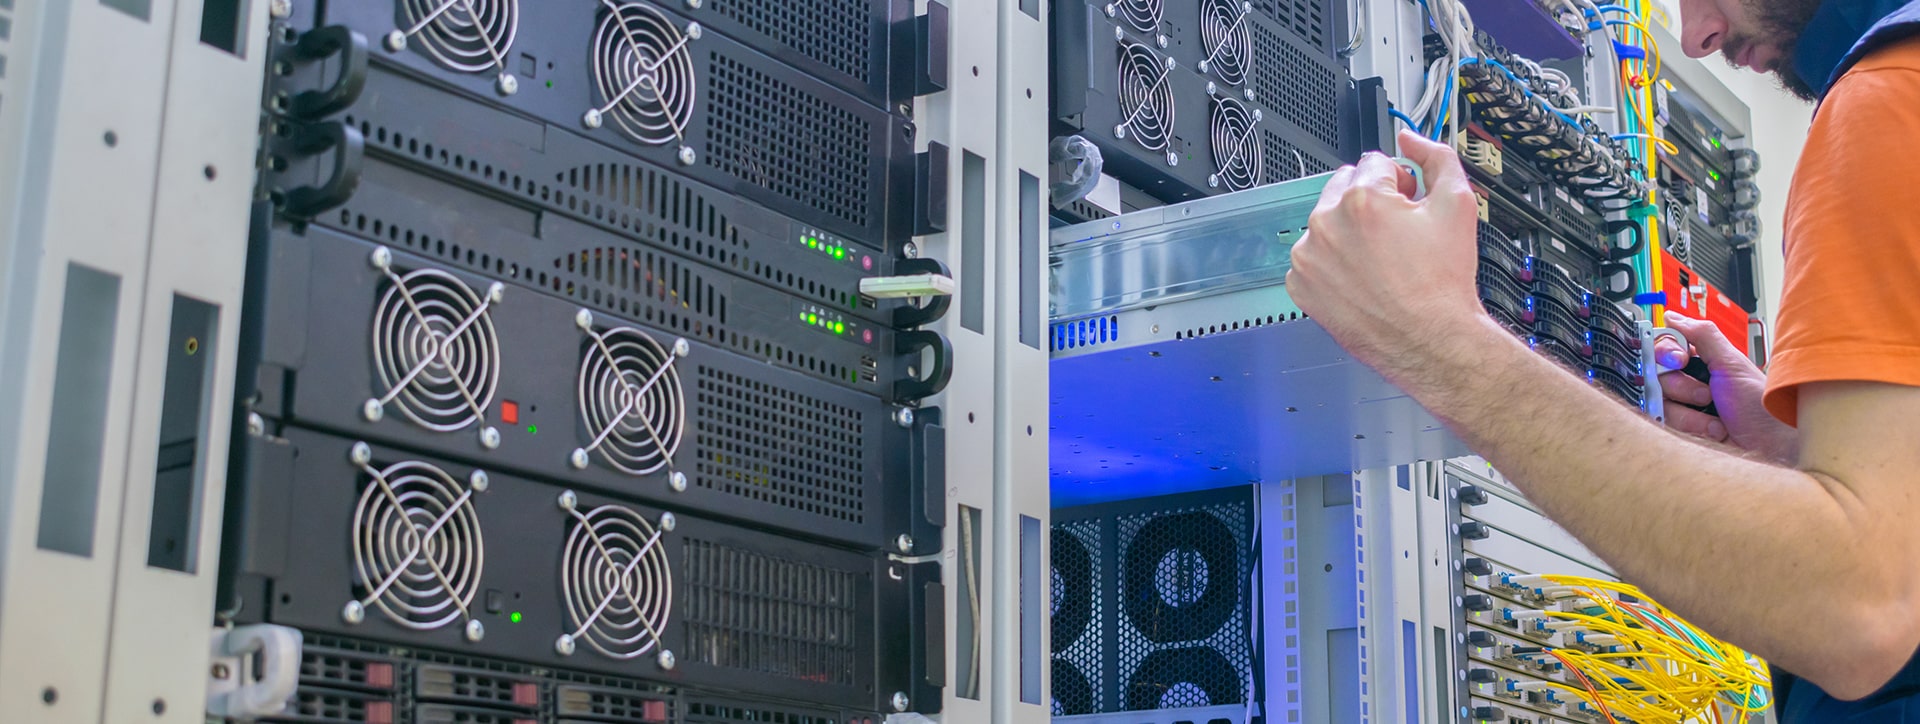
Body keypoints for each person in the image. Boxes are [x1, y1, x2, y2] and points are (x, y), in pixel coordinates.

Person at [1285, 0, 1920, 719]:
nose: (1698, 37)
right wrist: (1794, 455)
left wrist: (1441, 340)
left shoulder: (1886, 96)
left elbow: (1861, 611)